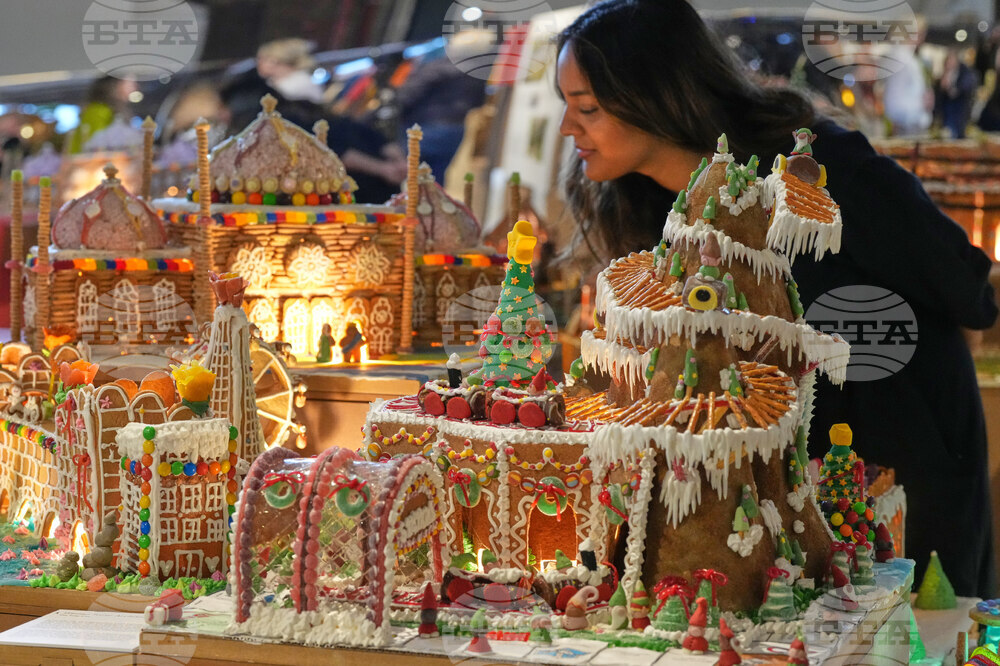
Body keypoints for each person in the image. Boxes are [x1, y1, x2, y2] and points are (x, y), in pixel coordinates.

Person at [557, 0, 996, 598]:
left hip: (894, 478)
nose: (566, 128)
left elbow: (967, 287)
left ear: (657, 95)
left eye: (585, 108)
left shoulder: (816, 173)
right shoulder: (654, 212)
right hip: (756, 505)